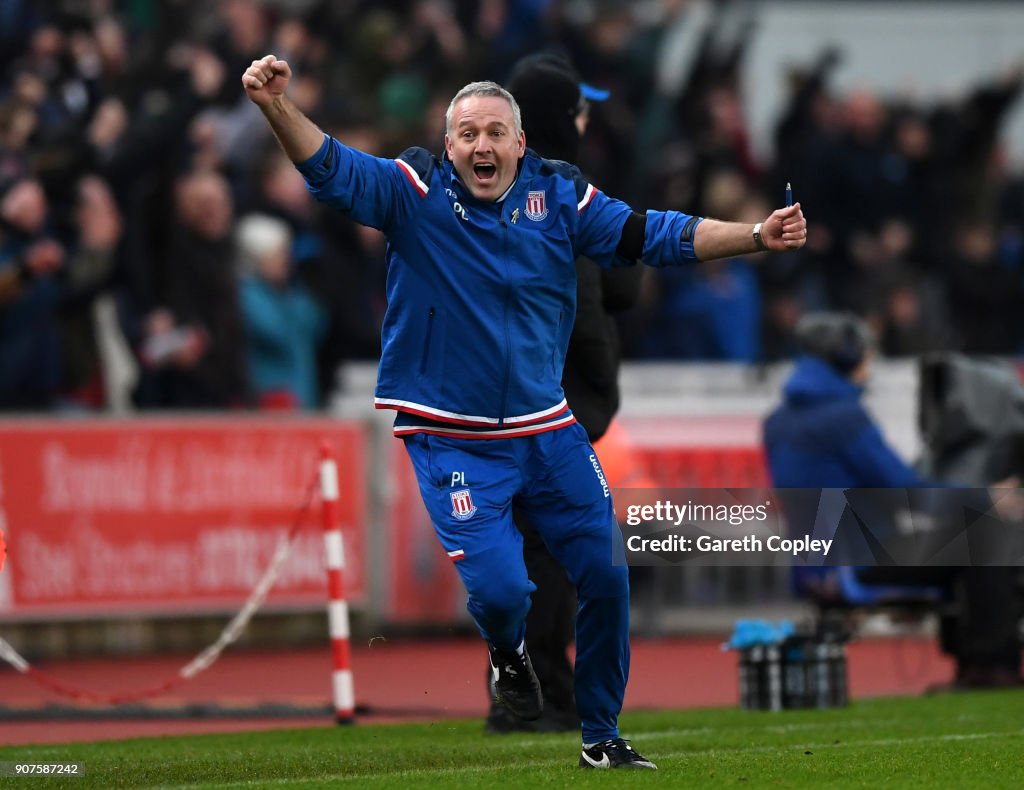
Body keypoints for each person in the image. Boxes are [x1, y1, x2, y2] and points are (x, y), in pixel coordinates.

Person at [243, 53, 806, 770]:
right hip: (453, 439)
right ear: (449, 147)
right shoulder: (412, 192)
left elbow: (648, 235)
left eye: (495, 133)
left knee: (606, 575)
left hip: (550, 431)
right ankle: (508, 656)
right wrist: (275, 107)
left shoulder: (560, 197)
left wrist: (756, 234)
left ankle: (600, 737)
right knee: (505, 590)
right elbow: (329, 167)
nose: (482, 146)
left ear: (520, 143)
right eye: (468, 133)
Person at [480, 51, 643, 735]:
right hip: (551, 395)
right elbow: (622, 283)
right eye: (578, 107)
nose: (585, 119)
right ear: (557, 116)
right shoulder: (558, 191)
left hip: (505, 394)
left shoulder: (488, 191)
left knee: (526, 548)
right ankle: (538, 692)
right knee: (550, 551)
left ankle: (528, 690)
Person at [762, 312, 1022, 689]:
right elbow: (906, 494)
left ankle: (980, 664)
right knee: (986, 533)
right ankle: (989, 668)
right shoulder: (844, 417)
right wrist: (987, 496)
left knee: (969, 534)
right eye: (868, 354)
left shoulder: (778, 420)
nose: (871, 364)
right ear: (848, 357)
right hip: (856, 560)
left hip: (816, 563)